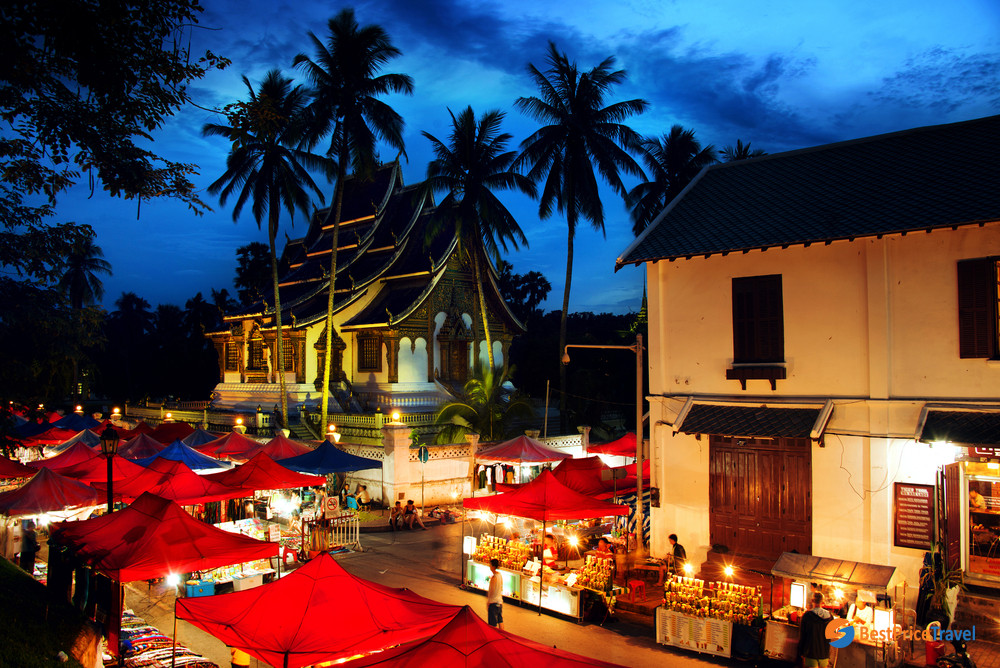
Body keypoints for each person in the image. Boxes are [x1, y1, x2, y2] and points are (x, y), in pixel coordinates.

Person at [799, 591, 834, 668]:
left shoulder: (807, 616)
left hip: (810, 653)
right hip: (824, 655)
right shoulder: (830, 617)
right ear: (823, 602)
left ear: (812, 601)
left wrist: (801, 652)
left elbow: (802, 636)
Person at [487, 558, 504, 630]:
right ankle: (502, 634)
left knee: (492, 624)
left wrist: (488, 601)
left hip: (493, 602)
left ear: (493, 566)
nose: (489, 566)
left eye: (490, 565)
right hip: (499, 602)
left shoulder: (494, 578)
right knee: (500, 620)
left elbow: (492, 591)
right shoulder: (499, 575)